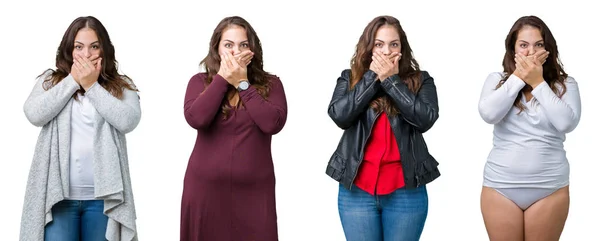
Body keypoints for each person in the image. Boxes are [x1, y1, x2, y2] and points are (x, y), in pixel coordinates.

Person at [20, 16, 141, 241]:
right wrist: (73, 81)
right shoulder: (51, 81)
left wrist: (91, 86)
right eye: (79, 47)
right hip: (58, 199)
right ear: (69, 49)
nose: (86, 54)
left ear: (104, 49)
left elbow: (128, 121)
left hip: (104, 202)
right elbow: (34, 113)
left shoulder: (121, 85)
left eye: (94, 46)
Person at [325, 15, 441, 241]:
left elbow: (425, 120)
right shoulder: (349, 79)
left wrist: (391, 81)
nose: (386, 51)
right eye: (379, 45)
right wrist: (372, 78)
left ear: (402, 48)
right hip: (357, 191)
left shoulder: (421, 80)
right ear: (368, 49)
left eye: (393, 44)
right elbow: (340, 116)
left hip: (406, 191)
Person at [180, 16, 288, 241]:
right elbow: (196, 119)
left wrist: (242, 83)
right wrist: (223, 78)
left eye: (243, 45)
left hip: (255, 195)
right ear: (217, 49)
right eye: (228, 45)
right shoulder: (199, 82)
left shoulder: (272, 84)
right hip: (205, 192)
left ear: (253, 50)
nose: (235, 51)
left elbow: (272, 123)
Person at [478, 15, 581, 241]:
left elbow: (566, 123)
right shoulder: (496, 80)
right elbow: (489, 114)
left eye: (538, 45)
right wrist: (518, 77)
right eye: (523, 45)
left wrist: (537, 82)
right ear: (513, 49)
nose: (531, 52)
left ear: (548, 49)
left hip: (549, 188)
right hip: (500, 187)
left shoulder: (566, 84)